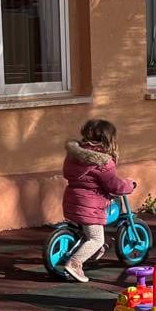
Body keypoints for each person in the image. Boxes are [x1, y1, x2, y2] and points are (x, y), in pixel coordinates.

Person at [59, 119, 135, 283]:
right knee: (96, 238)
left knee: (88, 232)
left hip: (72, 198)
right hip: (90, 205)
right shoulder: (103, 161)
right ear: (108, 139)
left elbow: (68, 173)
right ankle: (74, 263)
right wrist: (129, 185)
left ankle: (90, 251)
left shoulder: (74, 155)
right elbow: (114, 186)